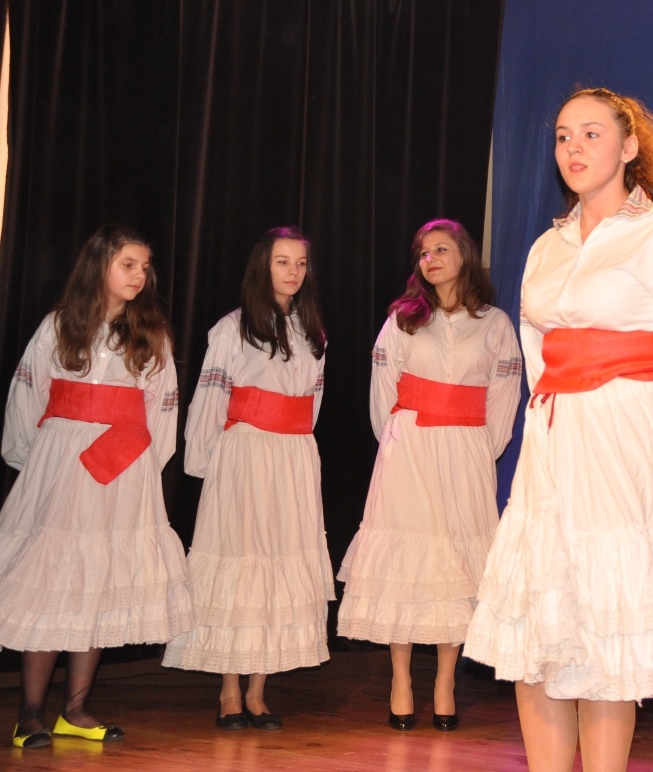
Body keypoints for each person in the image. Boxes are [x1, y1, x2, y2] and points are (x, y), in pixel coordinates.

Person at [464, 87, 653, 772]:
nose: (573, 148)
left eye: (591, 134)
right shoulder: (546, 248)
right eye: (563, 136)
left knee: (607, 640)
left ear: (629, 147)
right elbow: (539, 356)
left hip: (627, 450)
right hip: (555, 447)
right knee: (541, 634)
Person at [0, 225, 193, 748]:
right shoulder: (59, 325)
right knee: (53, 579)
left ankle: (76, 709)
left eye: (144, 266)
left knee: (99, 581)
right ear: (99, 266)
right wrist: (37, 462)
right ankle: (30, 713)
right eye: (128, 264)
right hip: (62, 464)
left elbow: (162, 412)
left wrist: (139, 472)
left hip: (121, 466)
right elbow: (27, 395)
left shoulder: (151, 334)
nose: (139, 275)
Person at [337, 218, 521, 732]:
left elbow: (504, 397)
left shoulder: (495, 324)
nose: (431, 259)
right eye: (423, 252)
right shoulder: (403, 320)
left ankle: (445, 680)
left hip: (465, 449)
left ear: (464, 255)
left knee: (455, 563)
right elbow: (382, 390)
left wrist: (478, 450)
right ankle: (400, 679)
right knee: (404, 559)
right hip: (410, 448)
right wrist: (399, 440)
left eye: (441, 249)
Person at [162, 226, 332, 730]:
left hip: (293, 456)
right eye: (283, 262)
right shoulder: (232, 329)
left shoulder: (312, 333)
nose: (293, 272)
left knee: (279, 561)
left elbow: (312, 403)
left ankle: (259, 690)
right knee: (242, 558)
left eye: (301, 263)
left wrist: (298, 448)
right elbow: (210, 398)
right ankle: (230, 689)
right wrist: (207, 461)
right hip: (245, 454)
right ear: (264, 266)